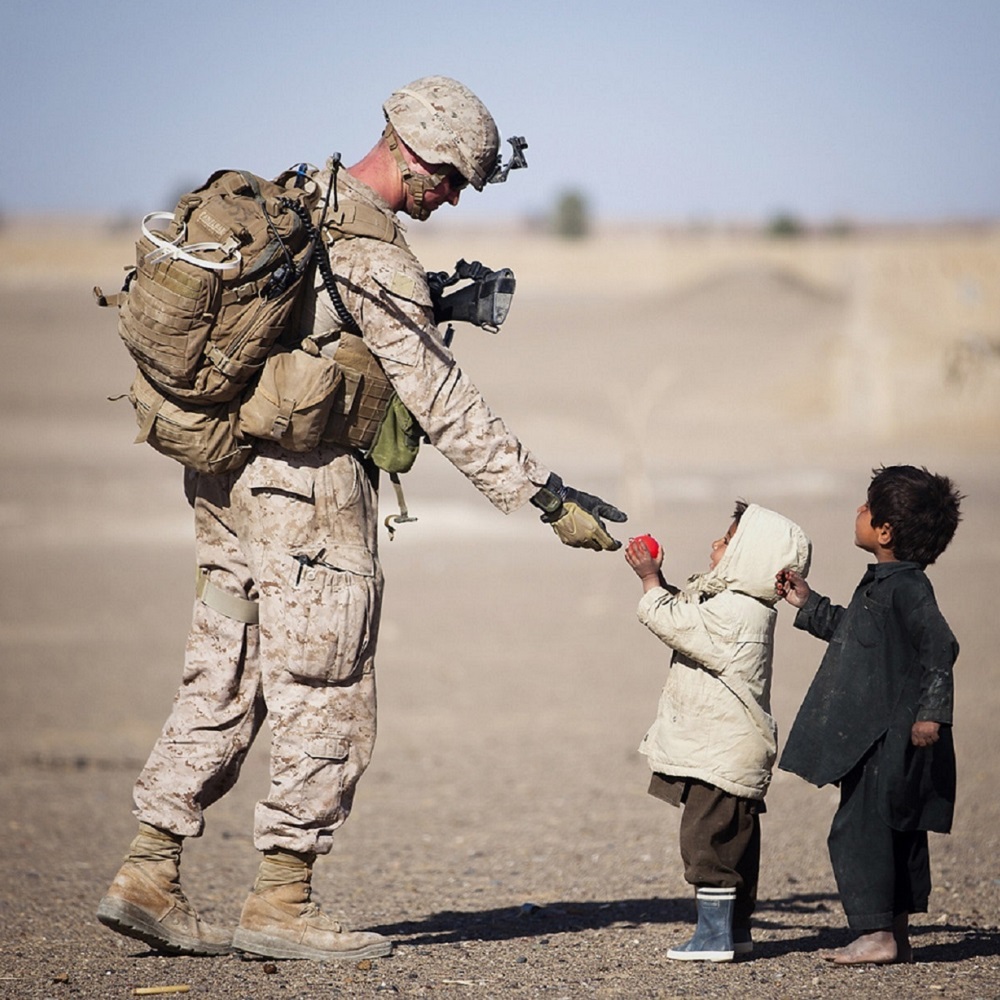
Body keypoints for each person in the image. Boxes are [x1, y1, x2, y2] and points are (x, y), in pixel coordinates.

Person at [97, 75, 627, 963]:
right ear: (413, 153)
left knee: (224, 670)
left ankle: (148, 872)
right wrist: (543, 495)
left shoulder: (303, 201)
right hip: (307, 496)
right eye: (452, 179)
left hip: (226, 480)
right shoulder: (372, 252)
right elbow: (444, 399)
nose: (452, 198)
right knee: (327, 689)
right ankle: (282, 902)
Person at [777, 465, 962, 965]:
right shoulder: (883, 583)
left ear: (884, 532)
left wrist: (932, 713)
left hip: (891, 737)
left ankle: (875, 934)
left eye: (866, 507)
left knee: (862, 830)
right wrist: (808, 603)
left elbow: (939, 646)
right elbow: (856, 634)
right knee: (892, 826)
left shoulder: (908, 589)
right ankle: (894, 934)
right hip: (876, 735)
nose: (858, 511)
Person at [624, 501, 812, 962]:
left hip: (722, 752)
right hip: (728, 748)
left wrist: (649, 581)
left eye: (727, 540)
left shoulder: (737, 613)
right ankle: (736, 931)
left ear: (750, 556)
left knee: (707, 841)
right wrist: (662, 582)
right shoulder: (736, 605)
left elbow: (674, 622)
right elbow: (689, 613)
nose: (715, 544)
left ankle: (713, 937)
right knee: (736, 844)